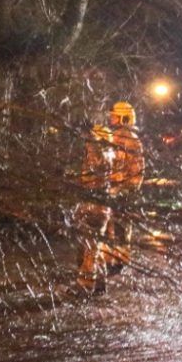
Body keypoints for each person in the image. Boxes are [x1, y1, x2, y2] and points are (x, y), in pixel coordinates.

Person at [74, 121, 115, 294]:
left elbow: (95, 153)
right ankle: (99, 284)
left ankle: (85, 286)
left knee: (90, 247)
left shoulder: (99, 154)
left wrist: (90, 136)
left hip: (94, 206)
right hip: (100, 205)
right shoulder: (109, 155)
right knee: (95, 246)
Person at [105, 101, 144, 273]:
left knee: (117, 227)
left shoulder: (122, 138)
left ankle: (116, 261)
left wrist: (114, 186)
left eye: (114, 115)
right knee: (119, 226)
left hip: (121, 189)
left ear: (123, 118)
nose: (111, 118)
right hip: (125, 188)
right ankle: (116, 259)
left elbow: (116, 165)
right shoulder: (129, 137)